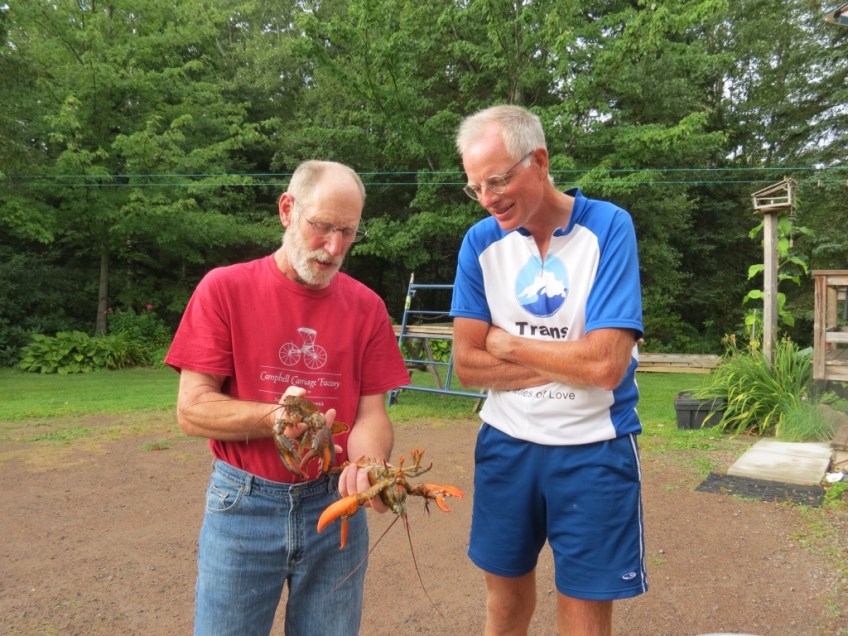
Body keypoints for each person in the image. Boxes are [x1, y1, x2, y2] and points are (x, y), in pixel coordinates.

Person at [165, 160, 410, 635]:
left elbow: (371, 415)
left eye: (348, 232)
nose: (334, 247)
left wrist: (369, 465)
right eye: (323, 227)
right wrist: (275, 417)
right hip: (243, 505)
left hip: (334, 505)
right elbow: (192, 409)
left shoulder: (368, 307)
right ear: (286, 210)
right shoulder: (224, 288)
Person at [449, 105, 647, 636]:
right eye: (475, 187)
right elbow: (467, 364)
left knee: (583, 616)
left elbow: (605, 365)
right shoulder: (480, 243)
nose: (487, 198)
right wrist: (571, 361)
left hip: (593, 447)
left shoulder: (609, 227)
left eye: (497, 180)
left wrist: (508, 344)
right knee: (505, 609)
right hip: (506, 444)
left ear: (539, 161)